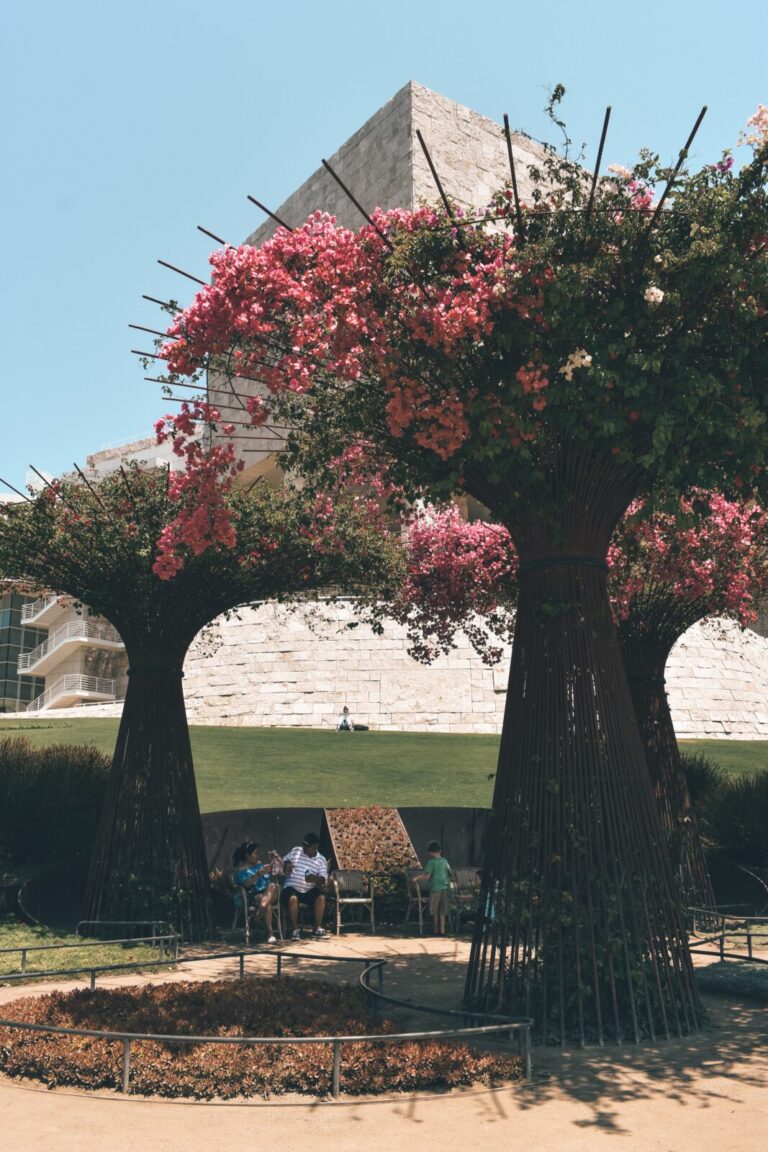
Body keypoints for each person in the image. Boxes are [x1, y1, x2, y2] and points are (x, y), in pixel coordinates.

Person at [281, 832, 329, 940]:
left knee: (321, 898)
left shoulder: (321, 859)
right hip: (291, 888)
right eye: (304, 845)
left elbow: (323, 879)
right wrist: (287, 864)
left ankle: (316, 929)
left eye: (308, 846)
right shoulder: (296, 851)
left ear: (316, 847)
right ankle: (294, 930)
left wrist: (314, 879)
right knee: (293, 898)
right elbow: (284, 861)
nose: (304, 848)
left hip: (309, 889)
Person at [232, 840, 278, 944]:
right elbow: (247, 884)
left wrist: (268, 870)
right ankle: (270, 934)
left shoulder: (259, 864)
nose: (258, 856)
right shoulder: (240, 871)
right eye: (255, 853)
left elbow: (268, 879)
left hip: (271, 892)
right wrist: (257, 875)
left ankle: (259, 912)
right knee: (267, 905)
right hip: (256, 895)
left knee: (272, 885)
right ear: (248, 855)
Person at [416, 840, 453, 936]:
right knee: (442, 911)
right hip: (444, 889)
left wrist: (417, 878)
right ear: (439, 851)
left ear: (431, 852)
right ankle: (443, 931)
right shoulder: (445, 861)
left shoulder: (431, 862)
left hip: (435, 889)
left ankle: (436, 931)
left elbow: (427, 876)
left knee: (434, 911)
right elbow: (450, 874)